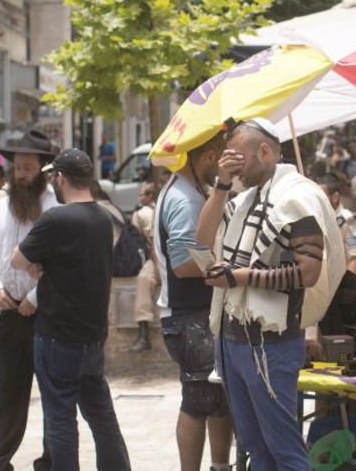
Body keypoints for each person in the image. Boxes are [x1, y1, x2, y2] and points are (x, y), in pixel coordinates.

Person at [197, 118, 344, 471]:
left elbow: (307, 273)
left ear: (264, 151)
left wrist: (239, 276)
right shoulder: (244, 198)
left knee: (284, 450)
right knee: (254, 448)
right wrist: (221, 184)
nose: (234, 166)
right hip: (233, 339)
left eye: (239, 158)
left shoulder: (298, 198)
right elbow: (201, 240)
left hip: (270, 343)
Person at [12, 148, 131, 471]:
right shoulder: (103, 218)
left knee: (60, 419)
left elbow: (17, 260)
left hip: (57, 335)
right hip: (92, 336)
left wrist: (38, 266)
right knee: (101, 413)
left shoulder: (56, 218)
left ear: (60, 178)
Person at [153, 134, 234, 471]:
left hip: (193, 315)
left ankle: (219, 465)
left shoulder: (189, 191)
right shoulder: (185, 198)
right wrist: (222, 267)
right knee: (199, 400)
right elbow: (183, 264)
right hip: (189, 318)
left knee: (216, 401)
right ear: (209, 156)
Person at [0, 129, 58, 471]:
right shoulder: (1, 205)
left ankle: (50, 460)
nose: (21, 175)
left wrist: (36, 297)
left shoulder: (54, 207)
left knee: (52, 395)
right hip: (9, 312)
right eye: (17, 168)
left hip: (45, 316)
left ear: (42, 169)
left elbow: (60, 264)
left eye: (28, 168)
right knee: (8, 393)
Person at [318, 173, 356, 274]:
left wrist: (347, 286)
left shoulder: (349, 222)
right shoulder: (316, 219)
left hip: (340, 283)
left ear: (335, 197)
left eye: (322, 197)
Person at [131, 182, 158, 352]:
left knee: (143, 279)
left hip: (166, 256)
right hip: (159, 256)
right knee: (144, 278)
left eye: (143, 194)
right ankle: (143, 333)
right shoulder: (155, 211)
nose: (140, 197)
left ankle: (144, 334)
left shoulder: (141, 213)